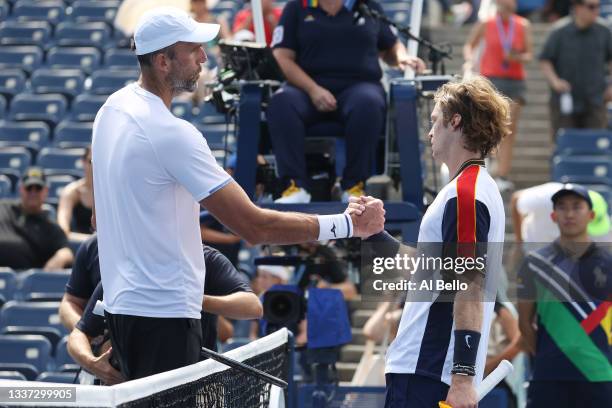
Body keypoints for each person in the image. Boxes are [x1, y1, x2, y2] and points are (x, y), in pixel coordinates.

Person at [91, 6, 384, 381]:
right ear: (163, 61)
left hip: (124, 312)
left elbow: (100, 218)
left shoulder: (109, 111)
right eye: (193, 49)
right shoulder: (170, 132)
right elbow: (254, 227)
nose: (203, 56)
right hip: (162, 319)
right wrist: (346, 225)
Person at [356, 76, 508, 408]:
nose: (429, 132)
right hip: (425, 371)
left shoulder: (466, 193)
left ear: (456, 121)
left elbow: (469, 286)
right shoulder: (468, 189)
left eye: (435, 121)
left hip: (429, 373)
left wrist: (463, 378)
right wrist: (372, 234)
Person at [267, 0, 426, 203]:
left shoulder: (368, 6)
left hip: (358, 86)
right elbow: (282, 57)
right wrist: (313, 90)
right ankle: (294, 187)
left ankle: (353, 186)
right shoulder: (297, 7)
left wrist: (402, 57)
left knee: (368, 102)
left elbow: (390, 46)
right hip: (306, 87)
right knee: (281, 103)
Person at [67, 244, 261, 385]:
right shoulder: (126, 269)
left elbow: (253, 306)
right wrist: (93, 364)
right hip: (132, 387)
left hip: (197, 385)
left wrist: (195, 300)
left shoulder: (206, 259)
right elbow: (79, 334)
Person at [517, 183, 612, 408]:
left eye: (576, 207)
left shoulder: (608, 263)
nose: (569, 213)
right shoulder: (534, 263)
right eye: (562, 207)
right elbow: (524, 323)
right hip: (549, 376)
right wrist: (548, 356)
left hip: (599, 374)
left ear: (590, 215)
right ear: (553, 215)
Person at [463, 0, 532, 191]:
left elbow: (529, 54)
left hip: (515, 80)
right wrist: (470, 61)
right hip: (491, 79)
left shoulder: (522, 25)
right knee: (489, 125)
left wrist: (517, 57)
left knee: (508, 128)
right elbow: (470, 45)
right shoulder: (487, 23)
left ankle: (502, 173)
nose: (506, 7)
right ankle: (486, 164)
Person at [539, 0, 612, 139]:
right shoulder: (559, 31)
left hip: (595, 100)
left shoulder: (604, 31)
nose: (596, 10)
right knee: (564, 144)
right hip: (565, 100)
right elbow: (545, 59)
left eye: (598, 6)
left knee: (595, 145)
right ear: (577, 7)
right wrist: (555, 82)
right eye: (591, 7)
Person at [0, 167, 73, 270]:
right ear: (21, 189)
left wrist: (60, 258)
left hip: (24, 282)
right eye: (29, 188)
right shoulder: (2, 208)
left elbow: (66, 252)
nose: (33, 193)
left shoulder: (50, 228)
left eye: (38, 188)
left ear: (45, 191)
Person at [511, 182, 611, 245]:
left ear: (591, 216)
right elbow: (516, 200)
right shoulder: (544, 198)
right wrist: (519, 242)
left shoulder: (604, 229)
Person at [57, 148, 93, 243]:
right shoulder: (72, 191)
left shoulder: (112, 192)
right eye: (91, 161)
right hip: (81, 247)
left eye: (99, 162)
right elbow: (63, 230)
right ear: (83, 162)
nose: (94, 166)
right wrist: (94, 241)